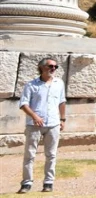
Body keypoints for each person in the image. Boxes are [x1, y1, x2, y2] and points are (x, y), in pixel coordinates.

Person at [17, 58, 67, 194]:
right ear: (42, 67)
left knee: (51, 154)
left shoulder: (59, 83)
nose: (53, 69)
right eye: (50, 66)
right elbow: (23, 104)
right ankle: (27, 183)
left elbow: (62, 102)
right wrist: (34, 116)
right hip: (34, 125)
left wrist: (62, 119)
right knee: (30, 155)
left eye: (55, 67)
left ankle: (48, 182)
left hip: (53, 123)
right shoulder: (31, 85)